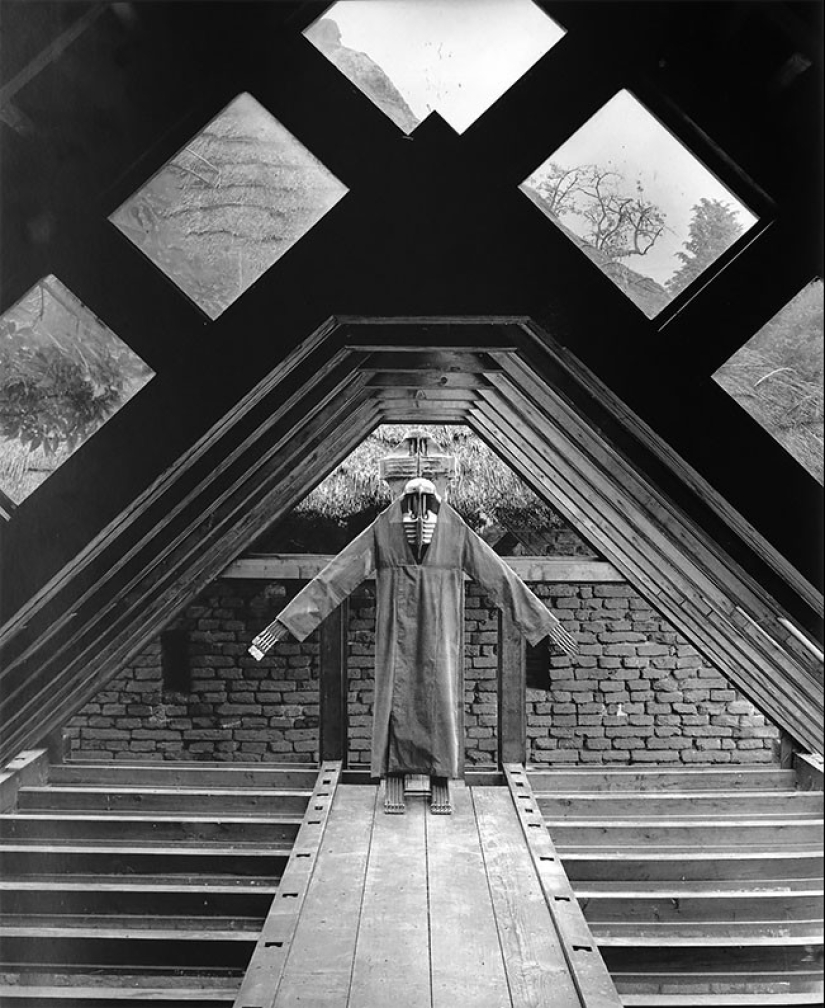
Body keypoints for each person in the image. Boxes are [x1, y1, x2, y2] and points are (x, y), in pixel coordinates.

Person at [249, 476, 577, 814]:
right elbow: (335, 577)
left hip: (441, 630)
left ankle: (440, 777)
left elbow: (500, 578)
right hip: (396, 635)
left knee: (441, 697)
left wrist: (543, 623)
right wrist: (286, 622)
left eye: (427, 503)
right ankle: (394, 774)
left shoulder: (456, 533)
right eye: (411, 503)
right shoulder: (383, 531)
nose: (419, 514)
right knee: (395, 697)